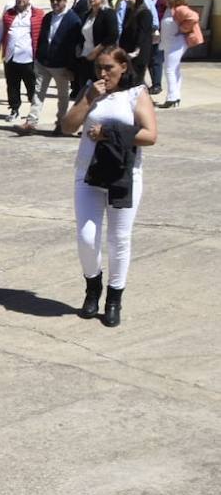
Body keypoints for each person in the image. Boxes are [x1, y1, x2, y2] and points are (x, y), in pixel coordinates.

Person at [61, 46, 158, 327]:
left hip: (123, 176)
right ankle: (93, 289)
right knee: (87, 237)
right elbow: (67, 126)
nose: (103, 73)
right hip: (87, 174)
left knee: (119, 239)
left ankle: (114, 299)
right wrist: (89, 98)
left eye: (109, 68)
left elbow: (150, 135)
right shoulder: (92, 90)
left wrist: (109, 133)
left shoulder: (136, 94)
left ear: (123, 67)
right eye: (99, 68)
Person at [24, 0, 82, 132]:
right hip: (44, 62)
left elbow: (73, 46)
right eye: (52, 0)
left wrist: (71, 67)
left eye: (58, 0)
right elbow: (43, 38)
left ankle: (60, 123)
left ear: (65, 1)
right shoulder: (48, 17)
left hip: (61, 65)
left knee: (62, 96)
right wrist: (38, 58)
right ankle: (31, 122)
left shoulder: (73, 19)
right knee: (38, 93)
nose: (55, 3)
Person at [0, 0, 43, 124]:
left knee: (32, 87)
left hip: (29, 58)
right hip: (11, 57)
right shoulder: (9, 14)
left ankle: (33, 113)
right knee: (12, 86)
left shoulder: (37, 14)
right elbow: (0, 31)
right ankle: (14, 110)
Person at [159, 0, 202, 109]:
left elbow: (194, 17)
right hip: (169, 43)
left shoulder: (180, 8)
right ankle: (176, 96)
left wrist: (183, 29)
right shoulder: (170, 9)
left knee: (169, 70)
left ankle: (171, 97)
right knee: (174, 69)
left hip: (176, 43)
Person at [74, 0, 120, 98]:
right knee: (84, 89)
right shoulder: (87, 15)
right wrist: (78, 47)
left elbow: (112, 35)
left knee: (100, 88)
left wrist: (96, 51)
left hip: (100, 56)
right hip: (85, 55)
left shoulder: (108, 13)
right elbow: (82, 34)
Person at [118, 0, 156, 89]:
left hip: (139, 51)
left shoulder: (145, 13)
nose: (126, 0)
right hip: (128, 49)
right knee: (127, 79)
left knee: (136, 79)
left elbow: (143, 33)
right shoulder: (129, 11)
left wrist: (137, 50)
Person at [144, 0, 166, 95]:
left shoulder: (162, 3)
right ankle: (153, 84)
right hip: (148, 35)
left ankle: (157, 85)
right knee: (149, 60)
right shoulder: (145, 2)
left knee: (156, 60)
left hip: (158, 35)